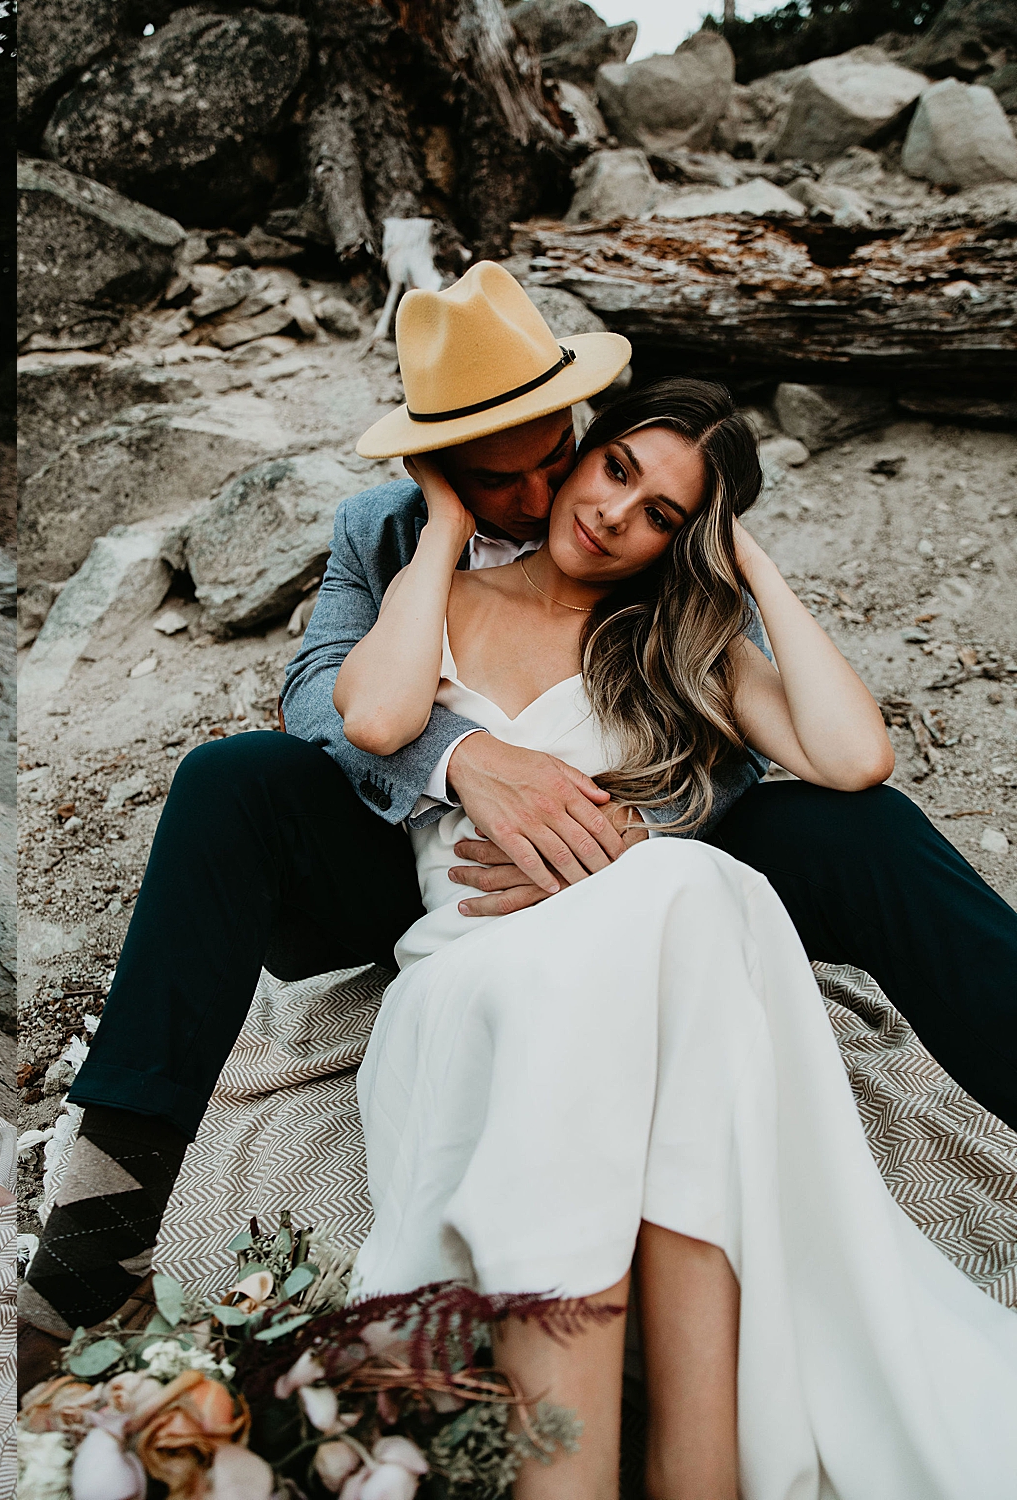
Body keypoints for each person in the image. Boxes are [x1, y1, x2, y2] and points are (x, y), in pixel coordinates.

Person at [16, 263, 1017, 1393]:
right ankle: (97, 1242)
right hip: (424, 869)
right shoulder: (386, 532)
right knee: (228, 779)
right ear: (436, 465)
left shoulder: (659, 541)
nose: (556, 496)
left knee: (867, 826)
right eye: (506, 475)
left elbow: (781, 744)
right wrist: (466, 760)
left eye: (563, 449)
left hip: (653, 852)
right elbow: (317, 702)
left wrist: (631, 840)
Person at [344, 379, 1017, 1496]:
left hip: (641, 971)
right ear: (580, 454)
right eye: (615, 472)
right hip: (470, 978)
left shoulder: (669, 641)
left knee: (690, 887)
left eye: (661, 513)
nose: (616, 516)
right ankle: (681, 1469)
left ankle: (676, 1469)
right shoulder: (439, 602)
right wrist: (445, 523)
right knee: (694, 887)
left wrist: (748, 564)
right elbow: (370, 719)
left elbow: (851, 760)